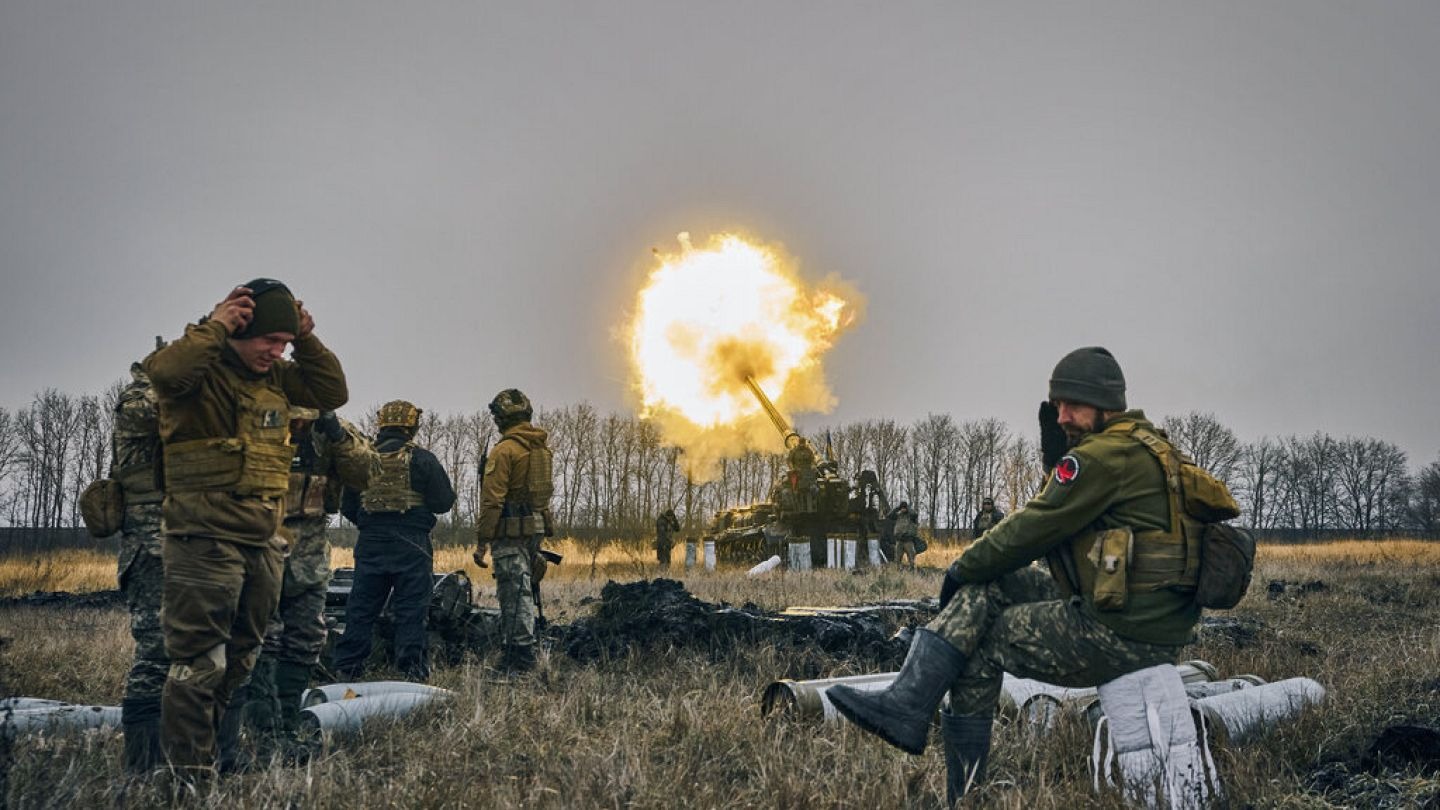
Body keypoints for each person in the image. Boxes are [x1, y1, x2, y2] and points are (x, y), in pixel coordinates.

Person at [828, 347, 1223, 805]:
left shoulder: (1100, 457)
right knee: (991, 587)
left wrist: (961, 567)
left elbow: (1034, 526)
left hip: (1123, 633)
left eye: (1073, 405)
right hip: (1146, 617)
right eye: (1057, 405)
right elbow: (1064, 519)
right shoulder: (1149, 445)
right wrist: (1053, 467)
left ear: (1105, 403)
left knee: (980, 645)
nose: (1061, 416)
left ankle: (964, 791)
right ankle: (907, 704)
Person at [144, 280, 347, 774]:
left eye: (283, 341)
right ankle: (188, 779)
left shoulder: (274, 378)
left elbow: (331, 391)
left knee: (240, 661)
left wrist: (307, 340)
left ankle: (219, 759)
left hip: (262, 542)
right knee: (199, 663)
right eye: (268, 340)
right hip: (204, 540)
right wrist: (215, 325)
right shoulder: (200, 374)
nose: (275, 351)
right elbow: (165, 372)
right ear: (239, 329)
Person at [244, 408, 376, 756]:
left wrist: (335, 433)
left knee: (305, 637)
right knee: (262, 638)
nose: (298, 425)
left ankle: (286, 725)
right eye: (293, 418)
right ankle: (261, 729)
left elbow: (367, 473)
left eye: (304, 418)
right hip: (259, 542)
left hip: (310, 550)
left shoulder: (331, 432)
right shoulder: (255, 420)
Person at [334, 400, 455, 682]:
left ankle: (347, 670)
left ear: (382, 425)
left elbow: (347, 505)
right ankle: (411, 672)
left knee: (361, 608)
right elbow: (443, 502)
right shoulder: (424, 459)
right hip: (412, 544)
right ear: (412, 426)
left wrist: (370, 523)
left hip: (371, 543)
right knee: (411, 610)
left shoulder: (363, 459)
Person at [112, 347, 167, 773]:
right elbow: (152, 414)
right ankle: (143, 764)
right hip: (149, 545)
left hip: (186, 538)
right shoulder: (139, 397)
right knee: (156, 649)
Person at [473, 388, 554, 673]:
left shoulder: (505, 450)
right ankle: (524, 647)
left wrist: (483, 542)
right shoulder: (540, 448)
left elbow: (492, 500)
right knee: (524, 587)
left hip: (510, 531)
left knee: (513, 590)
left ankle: (519, 657)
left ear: (501, 418)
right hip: (535, 529)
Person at [887, 502, 920, 568]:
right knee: (897, 556)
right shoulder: (898, 515)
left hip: (908, 539)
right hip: (899, 539)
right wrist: (897, 508)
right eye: (902, 508)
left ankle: (912, 568)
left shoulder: (911, 515)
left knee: (911, 555)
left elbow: (915, 514)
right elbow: (889, 516)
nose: (903, 509)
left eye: (904, 508)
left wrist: (908, 508)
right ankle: (898, 569)